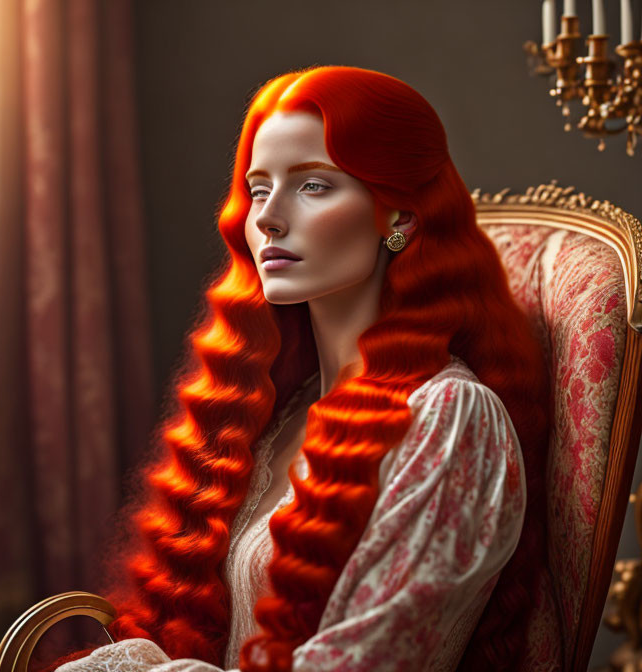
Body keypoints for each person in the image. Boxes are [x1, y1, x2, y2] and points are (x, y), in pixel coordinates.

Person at [52, 65, 551, 672]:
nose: (267, 218)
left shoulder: (449, 421)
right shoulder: (280, 412)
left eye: (313, 185)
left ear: (401, 217)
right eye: (259, 189)